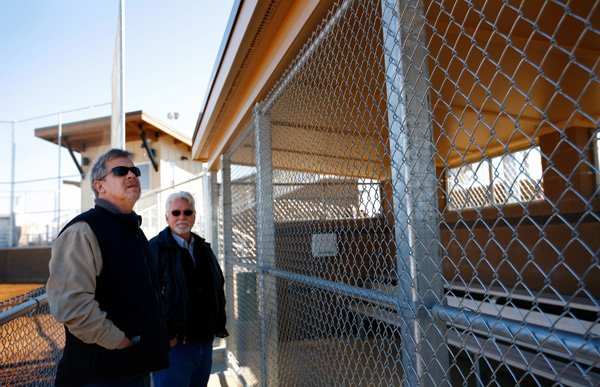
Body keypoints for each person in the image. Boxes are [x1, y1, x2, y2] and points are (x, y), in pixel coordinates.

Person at [46, 148, 169, 386]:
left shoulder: (134, 232)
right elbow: (71, 306)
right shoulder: (83, 230)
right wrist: (122, 343)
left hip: (135, 368)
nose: (132, 175)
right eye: (121, 171)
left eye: (135, 170)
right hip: (100, 376)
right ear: (99, 186)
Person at [149, 191, 228, 387]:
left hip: (204, 343)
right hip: (175, 348)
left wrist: (216, 327)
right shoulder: (155, 249)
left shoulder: (203, 247)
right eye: (176, 212)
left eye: (187, 212)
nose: (181, 217)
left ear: (194, 215)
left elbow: (217, 286)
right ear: (167, 216)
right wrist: (166, 336)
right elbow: (148, 298)